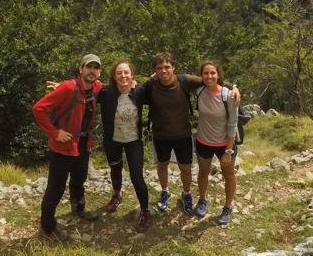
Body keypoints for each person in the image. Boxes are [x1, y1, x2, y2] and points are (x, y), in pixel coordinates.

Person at [135, 52, 240, 215]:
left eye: (167, 67)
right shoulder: (151, 85)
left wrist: (233, 87)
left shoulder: (184, 80)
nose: (164, 71)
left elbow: (211, 79)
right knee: (162, 165)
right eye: (159, 68)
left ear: (173, 67)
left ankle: (187, 193)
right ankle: (165, 191)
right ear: (155, 71)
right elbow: (134, 91)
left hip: (183, 135)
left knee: (186, 168)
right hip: (160, 135)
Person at [32, 53, 104, 240]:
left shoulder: (97, 87)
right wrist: (55, 133)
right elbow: (38, 109)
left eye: (96, 68)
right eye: (88, 67)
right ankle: (47, 227)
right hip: (62, 147)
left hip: (83, 144)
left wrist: (136, 84)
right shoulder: (68, 87)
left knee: (79, 180)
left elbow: (117, 89)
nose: (92, 71)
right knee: (55, 187)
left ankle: (78, 209)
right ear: (80, 69)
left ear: (99, 72)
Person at [97, 60, 151, 232]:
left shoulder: (140, 91)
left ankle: (144, 210)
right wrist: (63, 88)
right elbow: (84, 90)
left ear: (132, 75)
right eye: (119, 73)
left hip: (133, 141)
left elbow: (164, 83)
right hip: (112, 139)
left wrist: (228, 85)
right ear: (114, 76)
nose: (123, 76)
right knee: (115, 168)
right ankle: (117, 194)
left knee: (137, 177)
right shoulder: (106, 92)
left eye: (126, 72)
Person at [193, 60, 239, 225]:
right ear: (201, 76)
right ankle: (202, 200)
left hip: (224, 144)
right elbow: (179, 80)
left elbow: (233, 124)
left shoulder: (229, 95)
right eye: (206, 73)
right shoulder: (198, 91)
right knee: (203, 173)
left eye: (213, 73)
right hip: (203, 141)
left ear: (218, 75)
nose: (209, 76)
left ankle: (227, 207)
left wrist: (228, 151)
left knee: (229, 175)